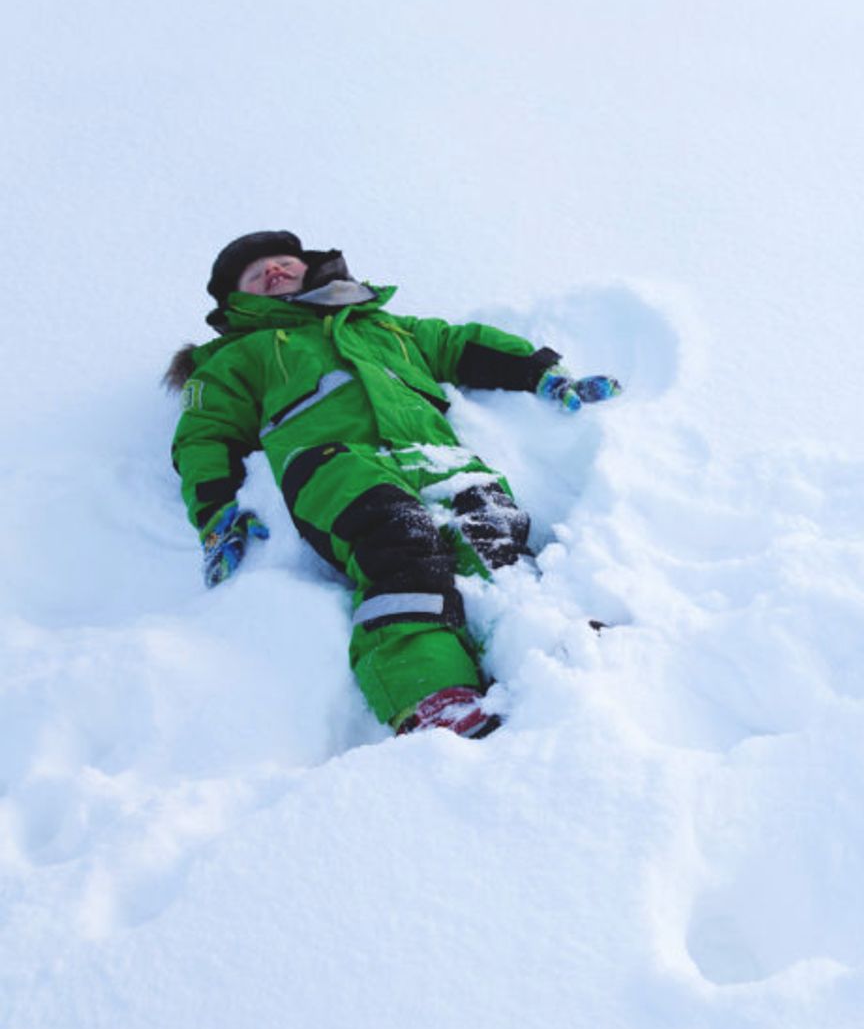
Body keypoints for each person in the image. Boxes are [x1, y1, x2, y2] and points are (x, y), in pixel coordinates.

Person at [166, 230, 623, 738]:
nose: (272, 270)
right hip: (335, 464)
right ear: (239, 300)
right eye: (255, 274)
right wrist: (214, 514)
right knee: (399, 546)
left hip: (438, 457)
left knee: (494, 536)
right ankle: (430, 692)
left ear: (311, 267)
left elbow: (460, 345)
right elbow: (204, 437)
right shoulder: (235, 358)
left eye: (282, 262)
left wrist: (544, 374)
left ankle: (543, 646)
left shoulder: (384, 326)